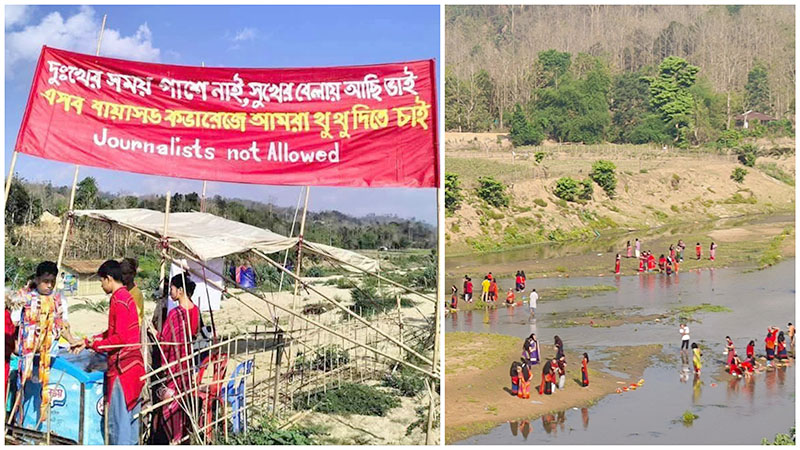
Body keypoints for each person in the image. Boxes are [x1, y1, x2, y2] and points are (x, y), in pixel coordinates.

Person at [75, 260, 144, 445]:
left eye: (101, 281)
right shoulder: (128, 296)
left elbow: (119, 339)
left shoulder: (118, 299)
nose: (101, 285)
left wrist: (95, 345)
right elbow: (114, 332)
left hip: (123, 368)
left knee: (119, 423)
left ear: (109, 278)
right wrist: (90, 340)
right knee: (131, 422)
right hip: (135, 367)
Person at [9, 261, 81, 424]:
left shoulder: (59, 299)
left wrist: (72, 341)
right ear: (37, 278)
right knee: (23, 393)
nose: (49, 286)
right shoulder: (24, 297)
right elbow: (12, 324)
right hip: (26, 356)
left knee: (46, 394)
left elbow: (63, 325)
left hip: (50, 356)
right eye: (45, 281)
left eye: (52, 282)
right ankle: (18, 424)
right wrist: (15, 348)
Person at [156, 274, 200, 444]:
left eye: (172, 289)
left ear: (180, 291)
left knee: (171, 401)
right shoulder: (195, 309)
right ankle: (180, 435)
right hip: (187, 360)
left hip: (175, 361)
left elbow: (166, 340)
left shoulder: (175, 313)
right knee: (182, 398)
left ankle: (174, 438)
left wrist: (155, 334)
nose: (170, 292)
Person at [120, 258, 145, 325]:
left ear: (133, 274)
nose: (122, 277)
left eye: (125, 273)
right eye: (121, 273)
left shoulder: (136, 293)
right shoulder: (124, 292)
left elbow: (132, 316)